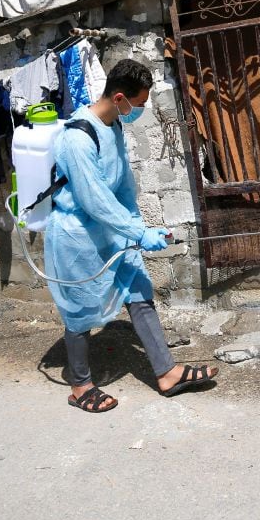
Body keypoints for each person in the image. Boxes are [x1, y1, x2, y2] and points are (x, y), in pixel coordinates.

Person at [46, 58, 217, 412]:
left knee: (139, 292)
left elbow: (122, 185)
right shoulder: (77, 138)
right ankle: (80, 386)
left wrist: (141, 228)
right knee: (79, 311)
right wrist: (137, 230)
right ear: (119, 97)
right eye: (138, 104)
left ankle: (166, 372)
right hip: (79, 238)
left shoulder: (114, 126)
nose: (139, 111)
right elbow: (94, 201)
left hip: (116, 231)